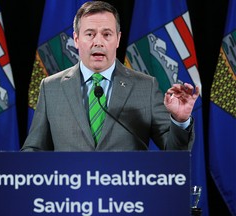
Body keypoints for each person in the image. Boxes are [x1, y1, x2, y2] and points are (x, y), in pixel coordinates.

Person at [21, 1, 200, 152]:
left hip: (128, 193)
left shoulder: (145, 86)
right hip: (70, 191)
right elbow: (34, 149)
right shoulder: (51, 87)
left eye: (106, 34)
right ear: (76, 39)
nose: (98, 42)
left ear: (118, 39)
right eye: (90, 34)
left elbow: (175, 153)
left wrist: (179, 120)